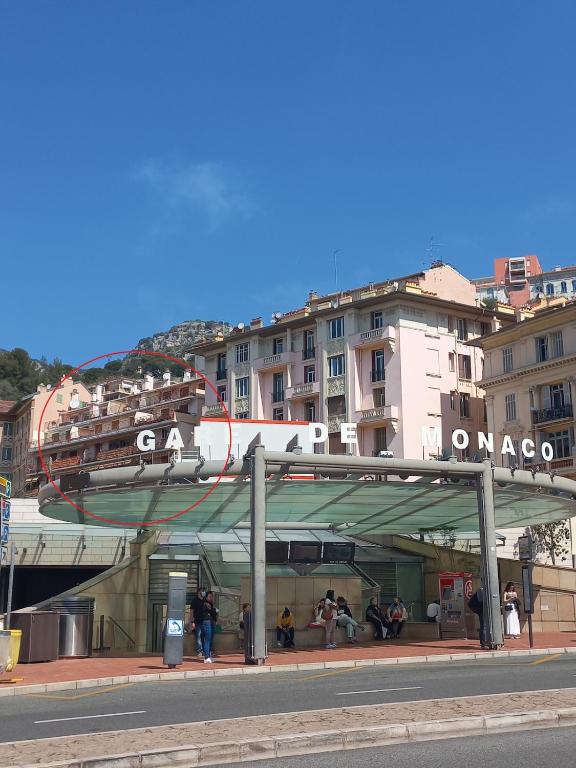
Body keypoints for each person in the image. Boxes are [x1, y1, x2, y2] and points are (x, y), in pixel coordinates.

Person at [198, 590, 218, 663]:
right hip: (206, 622)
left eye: (212, 596)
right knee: (207, 639)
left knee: (210, 639)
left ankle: (208, 655)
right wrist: (214, 611)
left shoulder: (210, 604)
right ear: (206, 597)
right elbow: (213, 611)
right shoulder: (205, 603)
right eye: (210, 596)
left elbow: (214, 613)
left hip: (211, 621)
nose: (211, 598)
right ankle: (206, 657)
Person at [190, 588, 205, 657]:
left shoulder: (205, 600)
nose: (204, 593)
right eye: (202, 591)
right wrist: (192, 622)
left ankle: (205, 650)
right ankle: (199, 651)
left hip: (205, 622)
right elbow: (191, 612)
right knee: (198, 636)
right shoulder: (194, 601)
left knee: (204, 636)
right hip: (197, 622)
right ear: (199, 592)